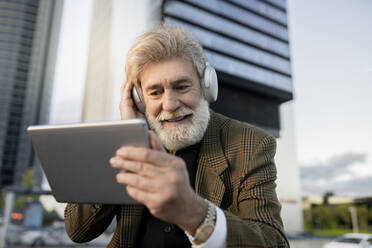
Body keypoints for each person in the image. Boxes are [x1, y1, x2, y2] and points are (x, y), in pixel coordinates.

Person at [64, 24, 289, 248]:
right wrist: (127, 134)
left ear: (206, 86)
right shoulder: (126, 141)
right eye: (155, 92)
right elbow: (77, 230)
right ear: (139, 99)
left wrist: (196, 214)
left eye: (181, 87)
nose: (170, 105)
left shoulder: (251, 144)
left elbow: (274, 242)